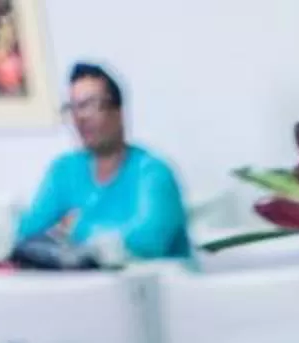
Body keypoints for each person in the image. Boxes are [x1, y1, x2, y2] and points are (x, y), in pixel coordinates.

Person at [14, 63, 190, 263]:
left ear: (118, 111)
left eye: (89, 105)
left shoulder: (153, 173)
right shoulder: (64, 170)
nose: (80, 117)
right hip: (83, 290)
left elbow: (147, 243)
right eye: (73, 108)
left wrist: (76, 228)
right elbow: (26, 233)